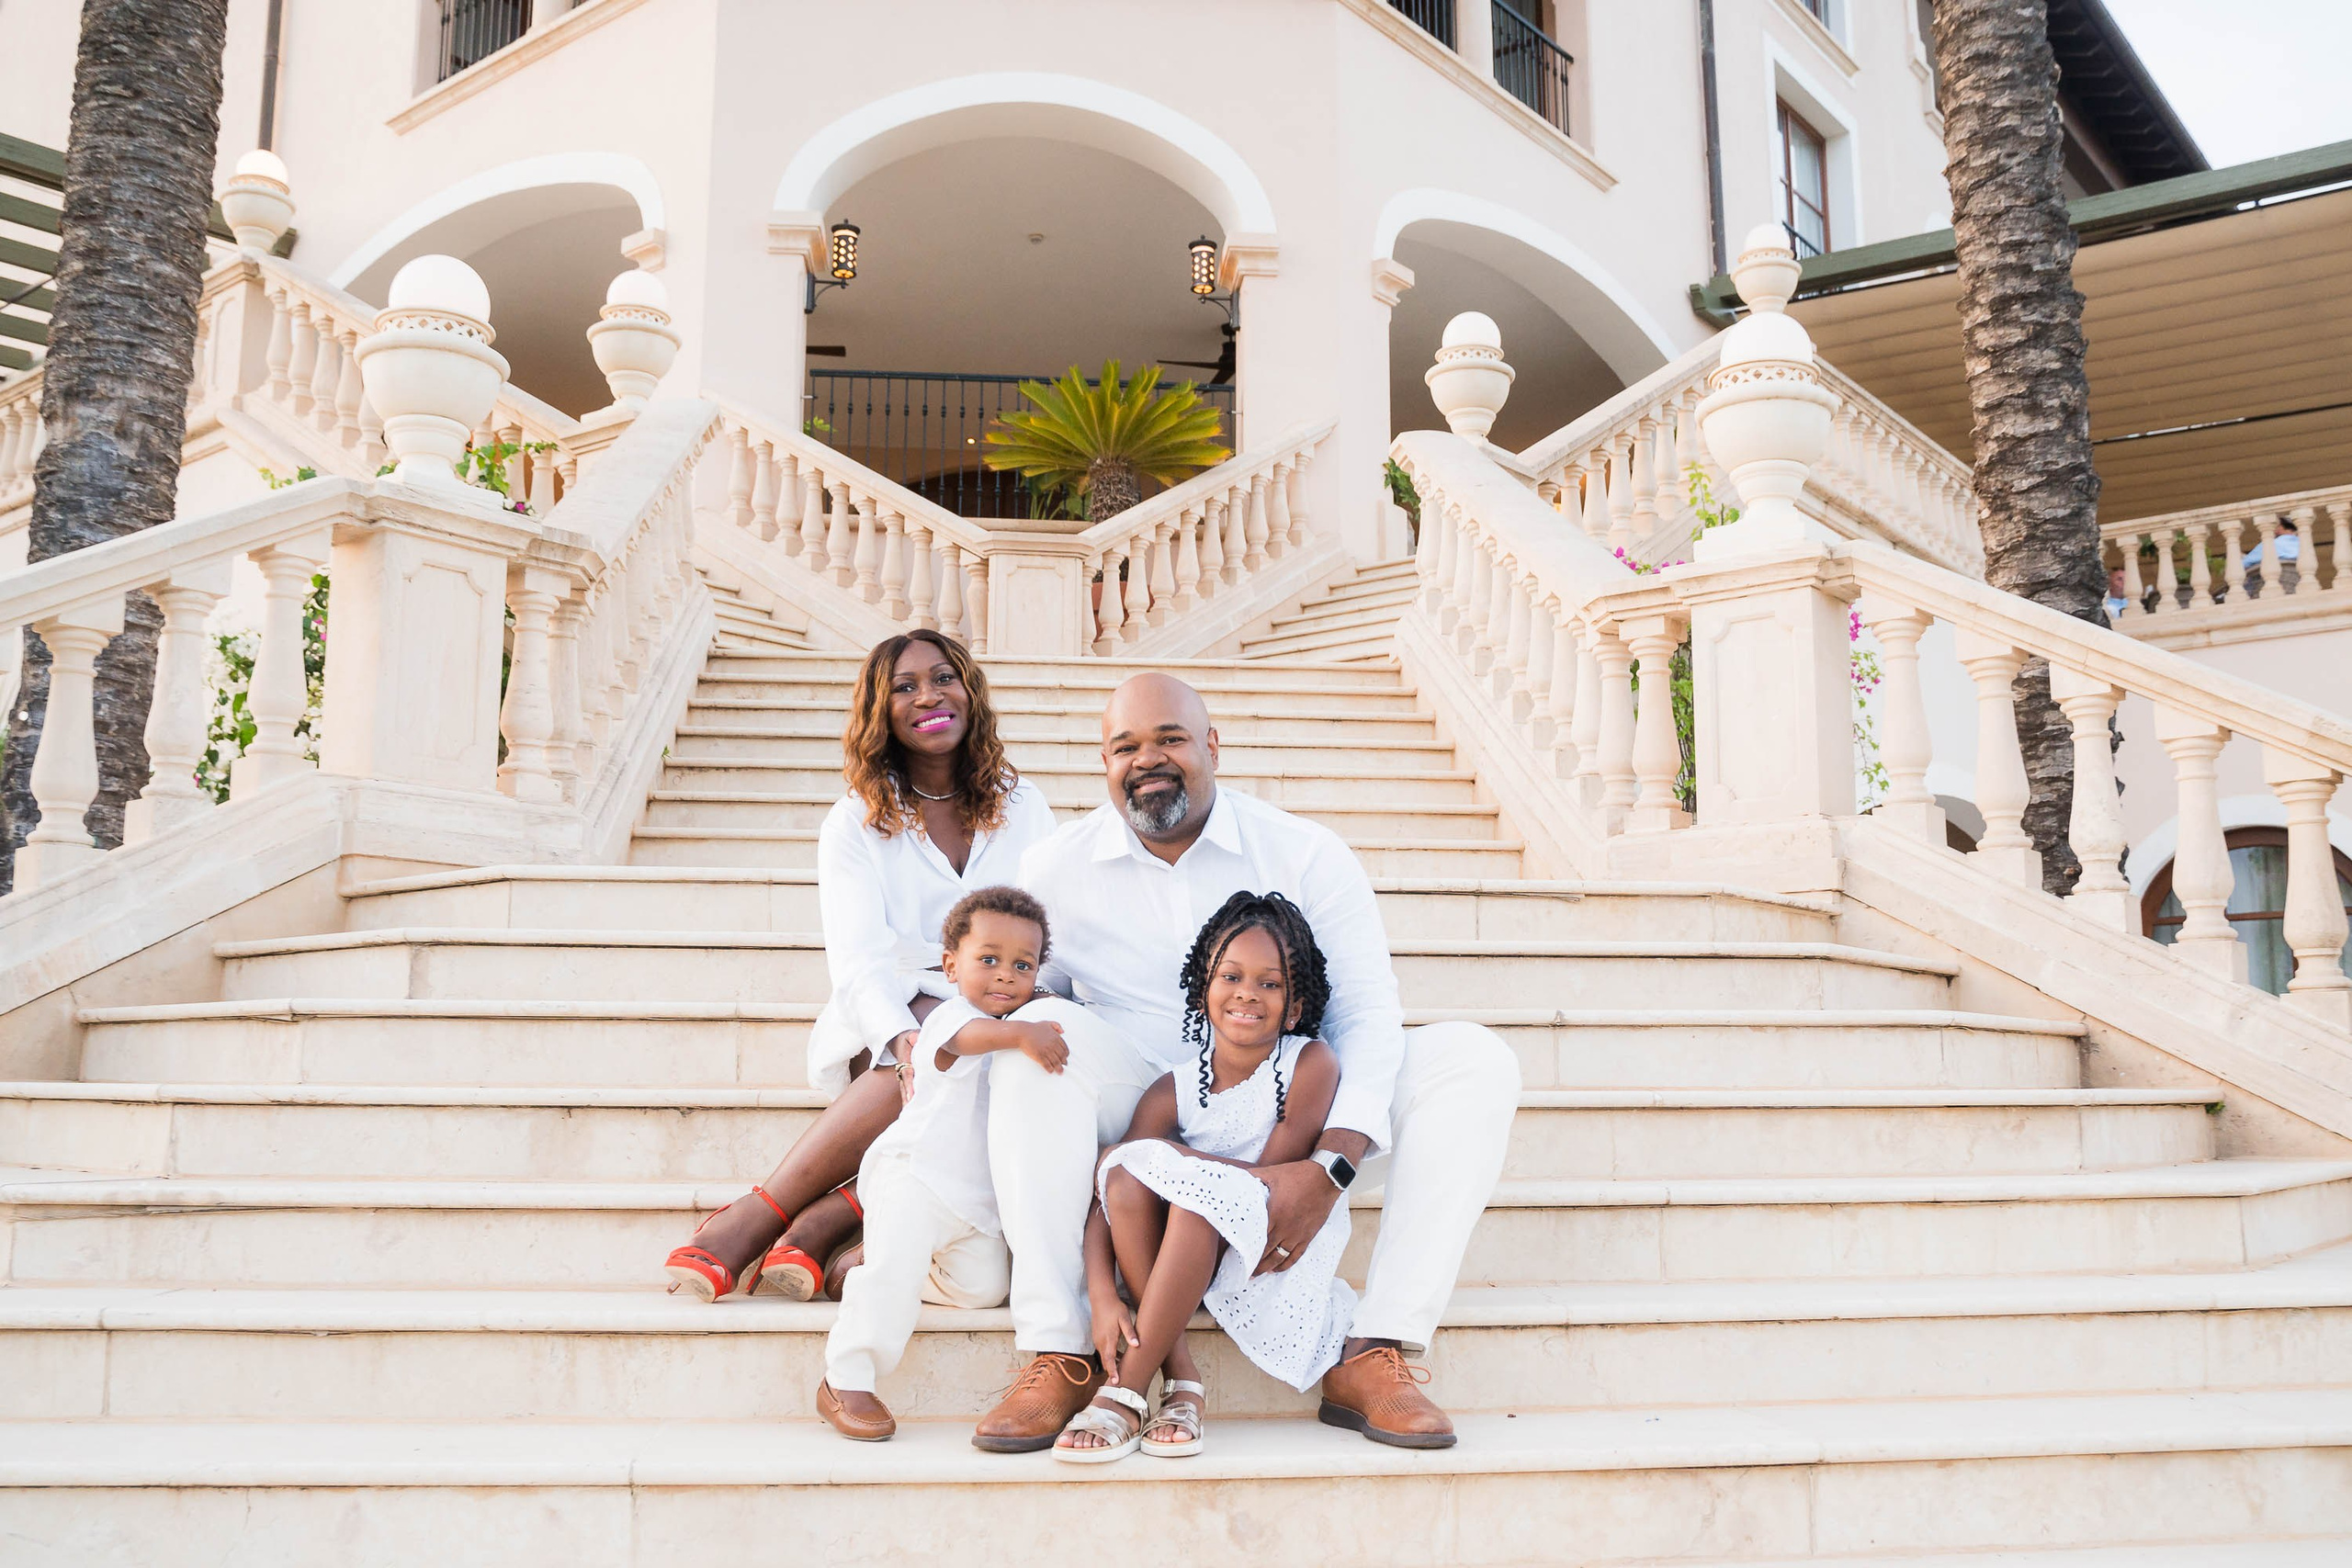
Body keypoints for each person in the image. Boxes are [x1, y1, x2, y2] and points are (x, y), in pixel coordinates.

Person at [971, 672, 1520, 1453]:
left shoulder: (1303, 852)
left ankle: (1373, 1349)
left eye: (1169, 738)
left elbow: (1365, 1011)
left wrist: (1329, 1164)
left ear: (1213, 746)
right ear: (1102, 760)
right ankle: (1062, 1347)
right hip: (1151, 1095)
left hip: (1287, 1097)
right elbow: (1010, 998)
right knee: (1036, 1028)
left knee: (1473, 1058)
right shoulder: (1053, 868)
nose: (1147, 759)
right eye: (1126, 745)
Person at [661, 629, 1057, 1303]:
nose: (928, 696)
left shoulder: (1024, 807)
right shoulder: (854, 822)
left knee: (993, 1046)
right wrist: (900, 1035)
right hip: (890, 1022)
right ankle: (776, 1210)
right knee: (943, 1028)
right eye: (905, 686)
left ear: (969, 692)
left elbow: (1054, 930)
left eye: (943, 678)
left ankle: (823, 1216)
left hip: (1004, 1009)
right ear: (882, 710)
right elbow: (858, 958)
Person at [1057, 892, 1349, 1463]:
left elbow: (1274, 1179)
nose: (1246, 993)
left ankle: (1124, 1390)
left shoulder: (1307, 1063)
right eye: (1232, 976)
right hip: (1184, 1241)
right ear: (1204, 990)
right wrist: (1100, 1294)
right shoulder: (1174, 1088)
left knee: (1192, 1195)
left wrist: (1180, 1167)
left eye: (1270, 983)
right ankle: (1181, 1375)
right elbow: (1108, 1195)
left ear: (1293, 1009)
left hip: (1270, 1236)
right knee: (1123, 1172)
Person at [817, 886, 1071, 1440]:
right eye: (988, 960)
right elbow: (971, 1038)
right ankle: (848, 1376)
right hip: (916, 1174)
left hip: (972, 1201)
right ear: (951, 966)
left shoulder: (1018, 1027)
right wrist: (1022, 1033)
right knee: (892, 1277)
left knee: (983, 1288)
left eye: (1022, 965)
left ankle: (872, 1262)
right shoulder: (948, 1019)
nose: (1005, 975)